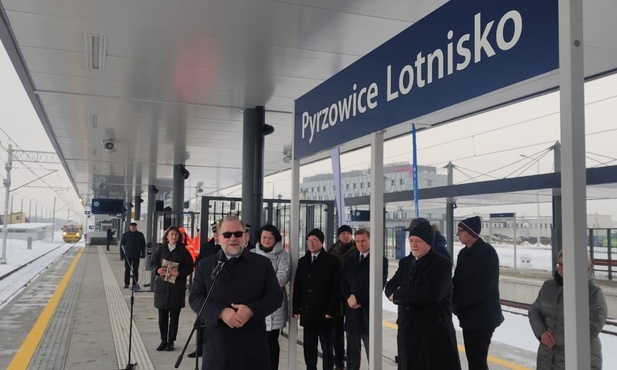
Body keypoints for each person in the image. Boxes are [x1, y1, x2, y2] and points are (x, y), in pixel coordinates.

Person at [189, 214, 282, 370]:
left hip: (252, 345)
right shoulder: (206, 265)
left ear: (245, 237)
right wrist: (221, 312)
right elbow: (195, 298)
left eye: (238, 234)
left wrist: (252, 310)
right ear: (218, 238)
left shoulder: (262, 264)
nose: (233, 238)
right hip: (218, 345)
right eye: (227, 234)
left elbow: (275, 296)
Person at [387, 218, 461, 370]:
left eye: (418, 241)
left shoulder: (442, 264)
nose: (413, 244)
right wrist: (392, 294)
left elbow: (432, 294)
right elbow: (391, 285)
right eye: (411, 240)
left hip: (431, 334)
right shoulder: (406, 263)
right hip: (408, 331)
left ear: (428, 242)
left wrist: (399, 296)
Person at [528, 250, 607, 370]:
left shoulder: (593, 292)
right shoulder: (548, 287)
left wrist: (562, 341)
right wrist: (541, 332)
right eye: (560, 264)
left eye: (566, 264)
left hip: (580, 356)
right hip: (548, 356)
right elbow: (534, 311)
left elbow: (594, 325)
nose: (561, 268)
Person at [452, 216, 504, 370]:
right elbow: (458, 280)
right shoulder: (463, 254)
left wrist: (457, 304)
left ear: (471, 232)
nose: (457, 234)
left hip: (482, 318)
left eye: (460, 231)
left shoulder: (487, 253)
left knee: (477, 361)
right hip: (469, 317)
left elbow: (483, 287)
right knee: (473, 359)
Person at [339, 228, 388, 370]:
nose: (360, 244)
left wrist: (358, 299)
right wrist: (349, 297)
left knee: (371, 349)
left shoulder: (379, 261)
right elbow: (343, 282)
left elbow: (378, 285)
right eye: (358, 241)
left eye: (364, 241)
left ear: (370, 241)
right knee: (352, 351)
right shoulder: (350, 260)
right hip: (352, 313)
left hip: (368, 312)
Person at [293, 228, 341, 370]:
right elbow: (298, 286)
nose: (311, 244)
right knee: (309, 346)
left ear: (321, 243)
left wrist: (331, 310)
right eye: (309, 241)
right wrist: (296, 308)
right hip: (308, 313)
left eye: (315, 241)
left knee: (327, 347)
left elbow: (335, 288)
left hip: (325, 313)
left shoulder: (332, 261)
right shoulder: (303, 261)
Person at [251, 224, 291, 370]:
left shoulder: (283, 255)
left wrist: (259, 283)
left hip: (274, 306)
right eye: (264, 237)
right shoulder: (251, 253)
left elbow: (281, 278)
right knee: (254, 340)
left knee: (271, 340)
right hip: (253, 303)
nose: (266, 240)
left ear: (276, 239)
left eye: (270, 238)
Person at [150, 226, 195, 351]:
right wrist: (157, 270)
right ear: (167, 236)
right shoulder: (161, 250)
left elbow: (190, 266)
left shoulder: (183, 251)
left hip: (176, 288)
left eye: (176, 234)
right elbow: (153, 263)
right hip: (162, 289)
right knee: (162, 318)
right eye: (172, 234)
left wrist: (180, 273)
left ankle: (171, 341)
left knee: (174, 317)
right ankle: (163, 340)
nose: (174, 236)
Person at [328, 224, 356, 370]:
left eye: (348, 233)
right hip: (336, 298)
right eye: (343, 233)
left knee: (352, 333)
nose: (346, 235)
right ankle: (339, 361)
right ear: (338, 236)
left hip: (353, 297)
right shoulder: (332, 251)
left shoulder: (357, 250)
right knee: (336, 332)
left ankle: (351, 362)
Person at [120, 222, 146, 289]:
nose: (133, 228)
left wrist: (143, 254)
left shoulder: (140, 235)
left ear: (136, 227)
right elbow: (121, 245)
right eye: (132, 227)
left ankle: (135, 283)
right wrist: (122, 255)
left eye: (134, 227)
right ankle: (126, 283)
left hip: (136, 255)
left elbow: (143, 245)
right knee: (127, 270)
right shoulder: (125, 235)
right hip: (127, 255)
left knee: (136, 270)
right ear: (130, 227)